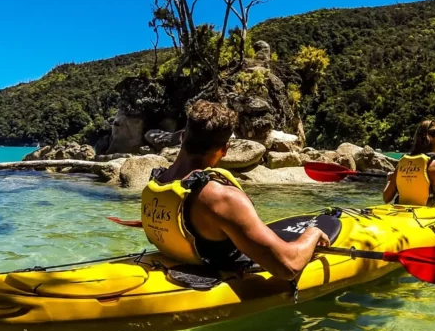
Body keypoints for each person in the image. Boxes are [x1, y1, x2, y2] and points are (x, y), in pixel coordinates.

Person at [141, 100, 329, 280]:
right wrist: (313, 233)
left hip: (173, 261)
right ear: (225, 149)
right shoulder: (221, 198)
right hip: (215, 273)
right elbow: (288, 267)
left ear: (182, 137)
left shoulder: (158, 181)